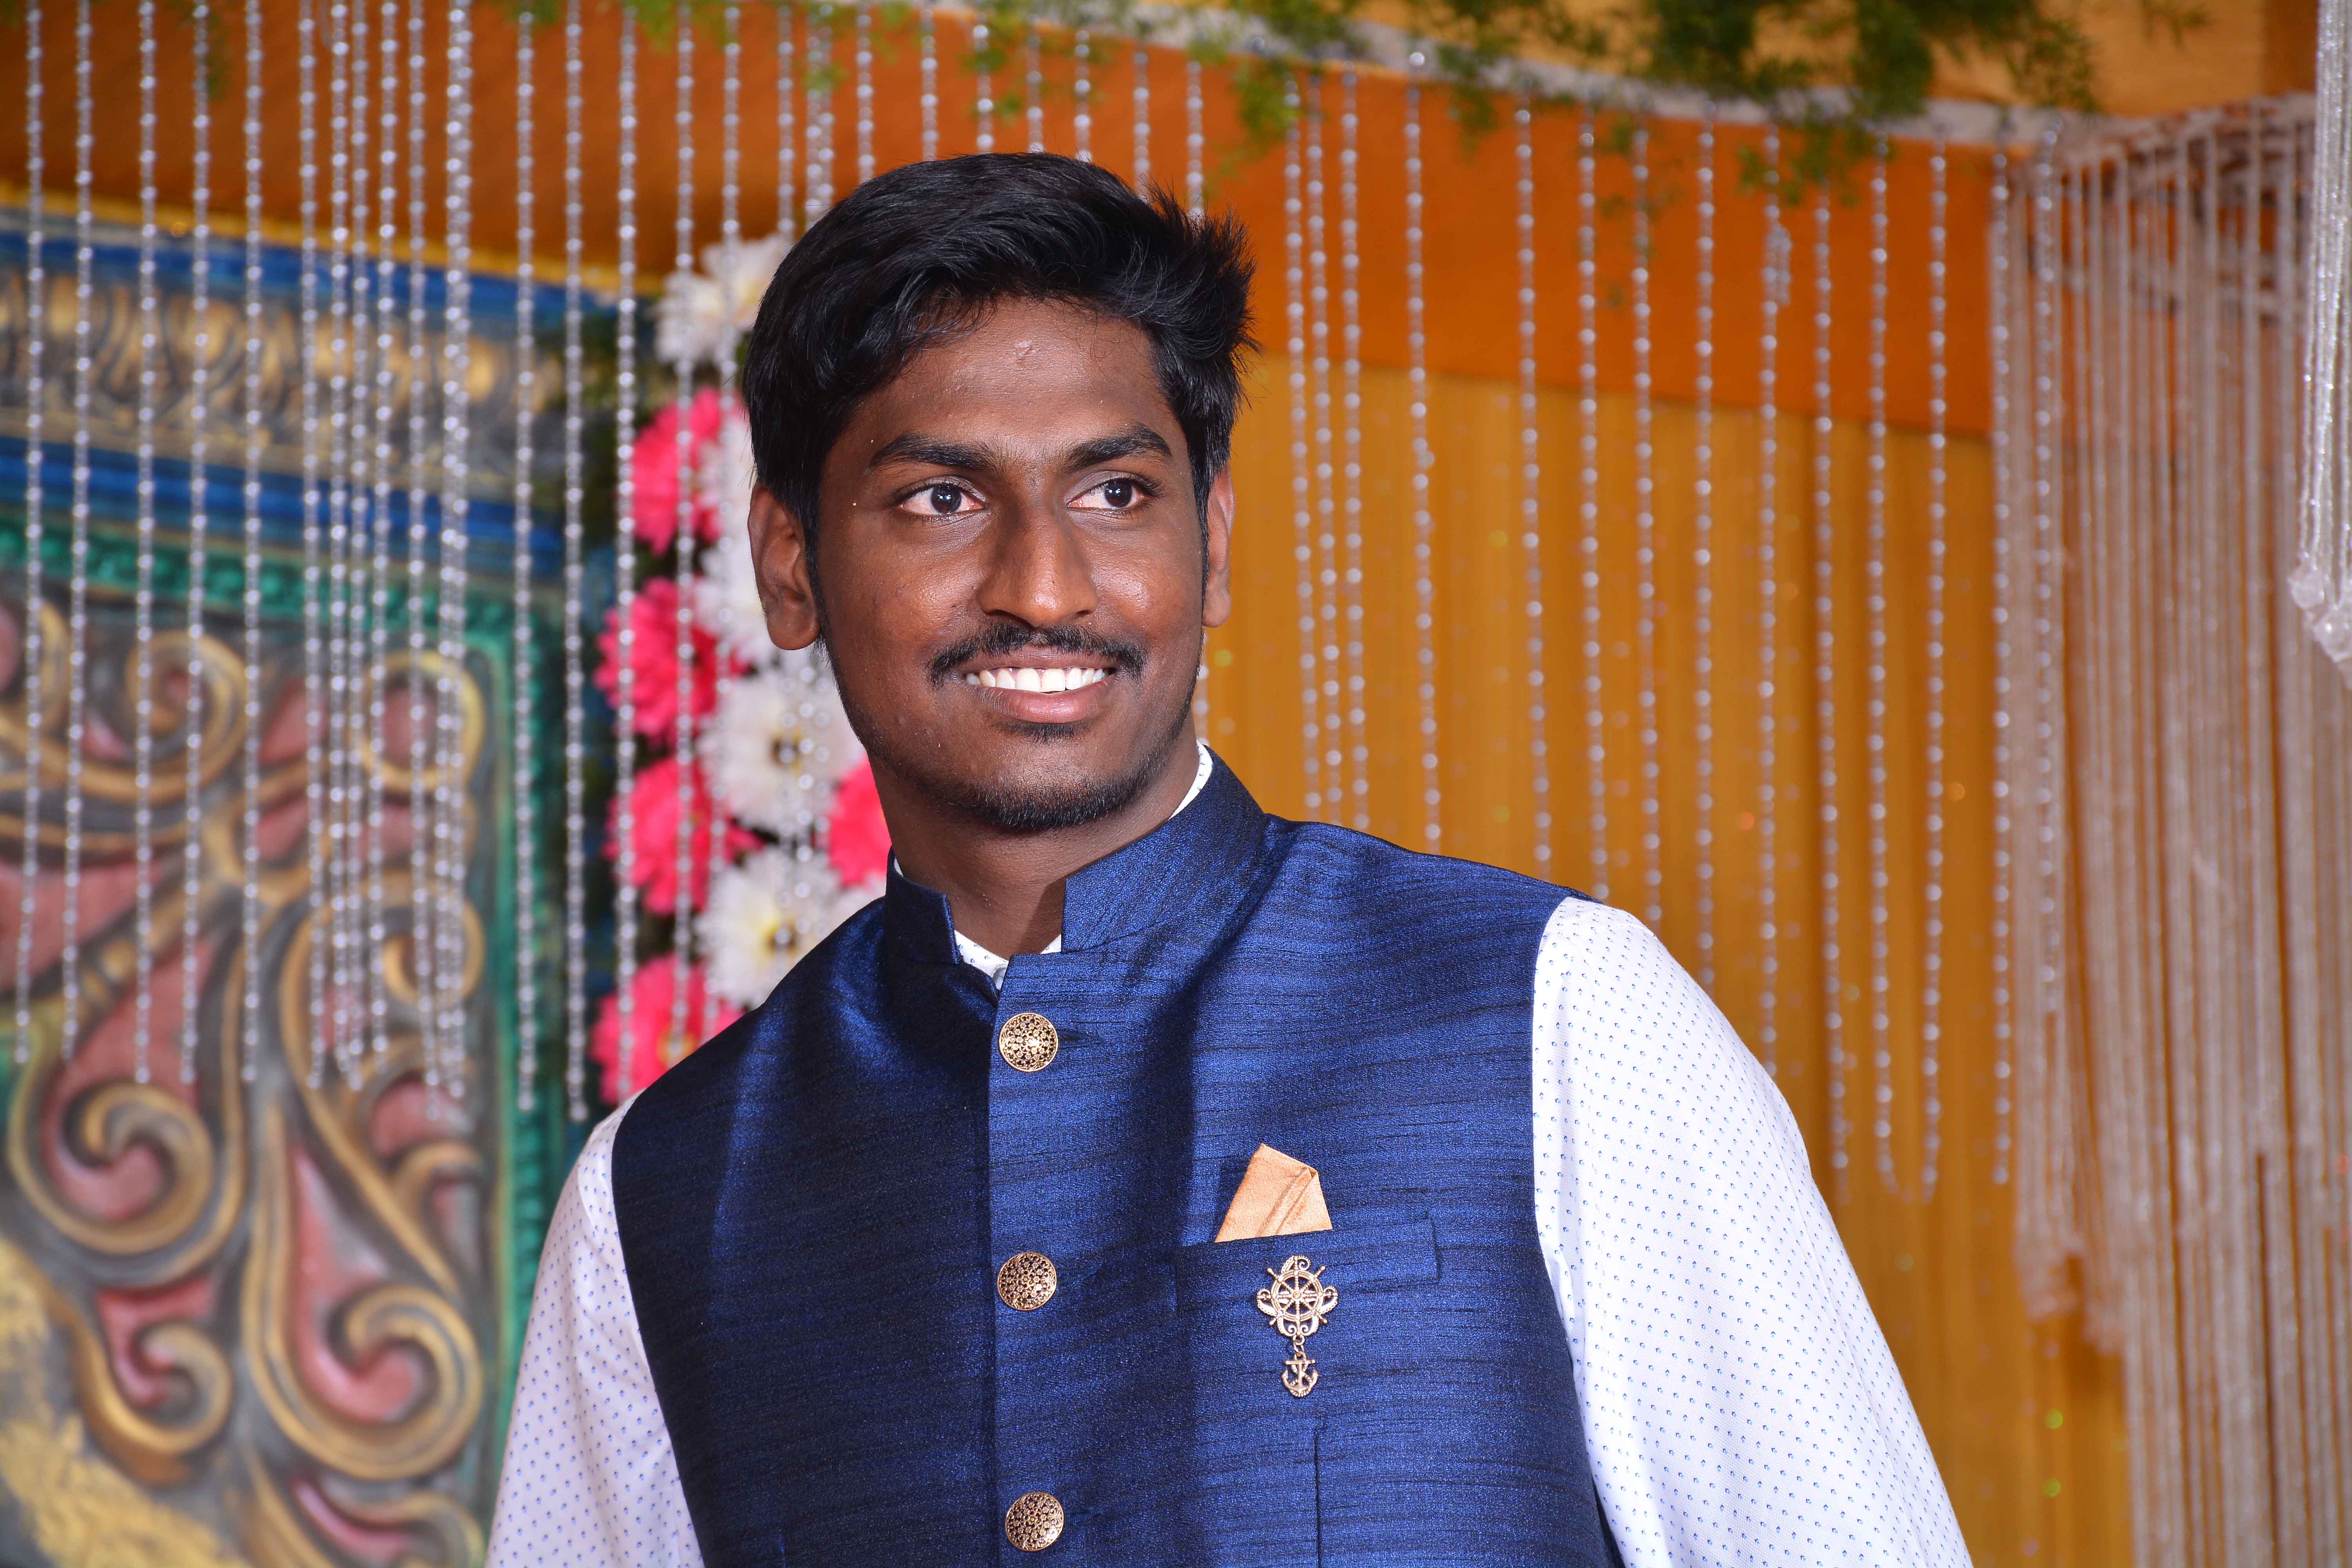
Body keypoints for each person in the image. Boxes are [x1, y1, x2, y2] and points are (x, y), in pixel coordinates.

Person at [486, 152, 1966, 1567]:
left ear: (1214, 535)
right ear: (791, 564)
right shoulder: (664, 1197)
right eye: (942, 499)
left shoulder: (1556, 1018)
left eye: (1115, 493)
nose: (1044, 586)